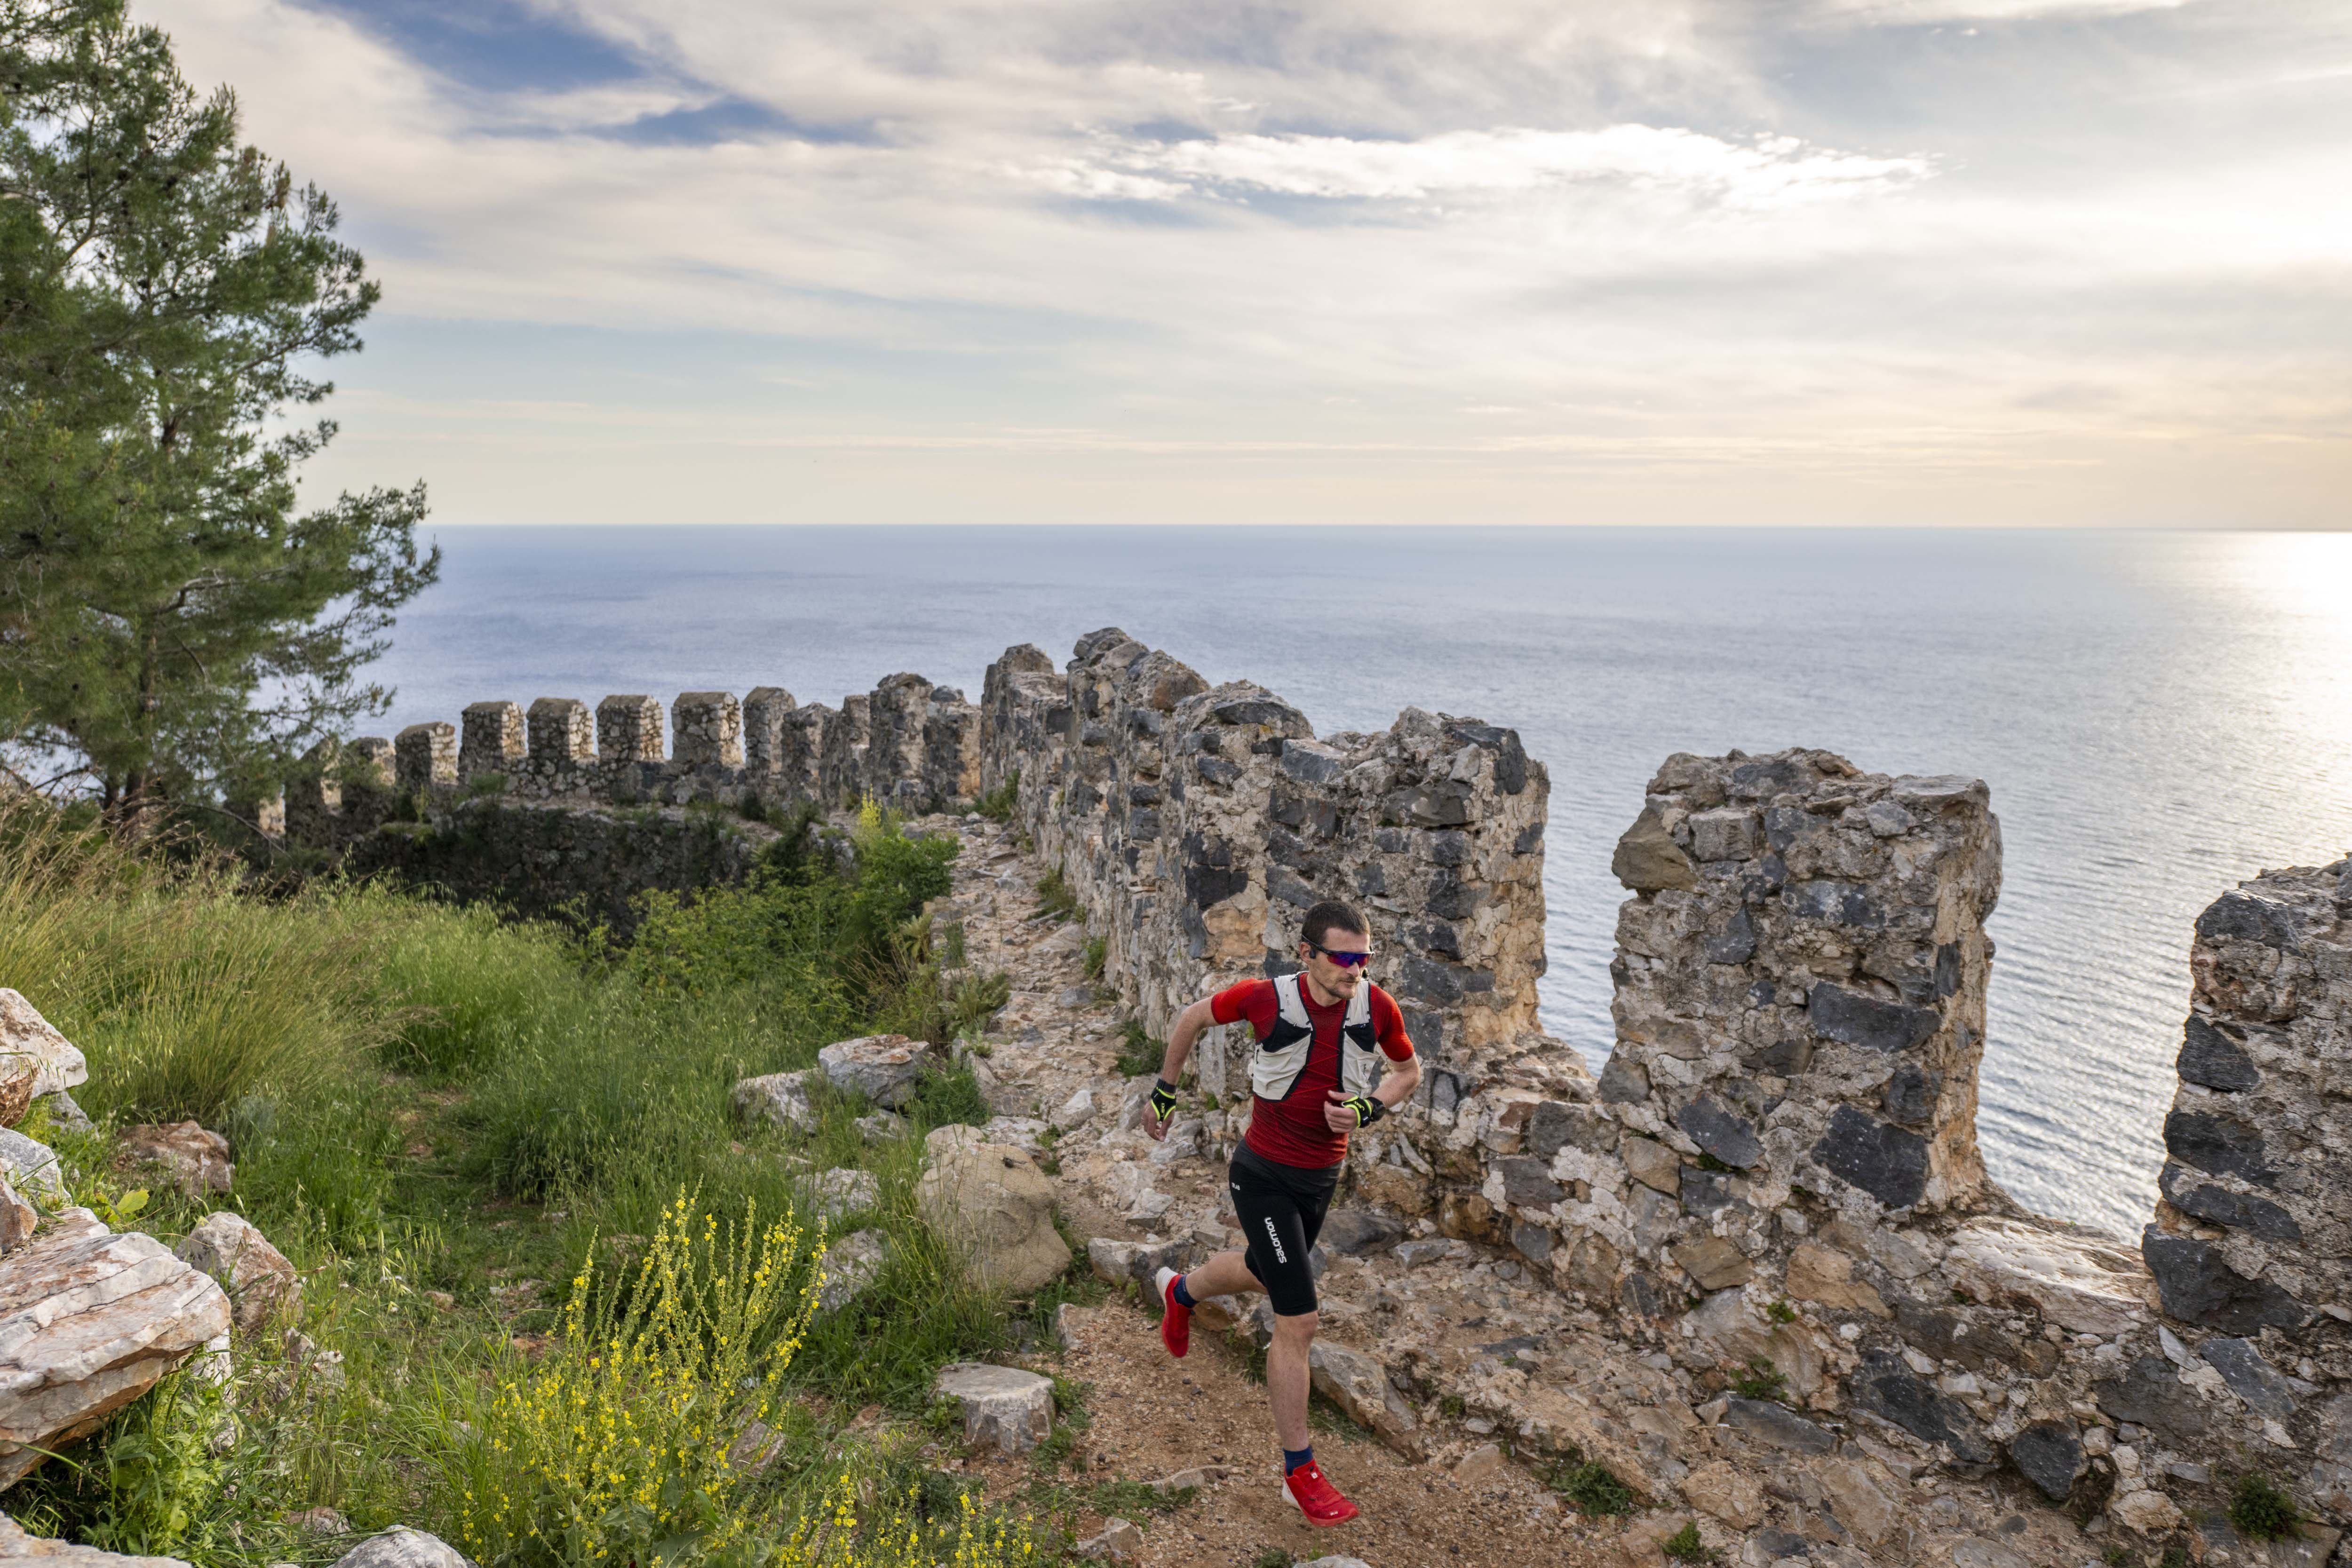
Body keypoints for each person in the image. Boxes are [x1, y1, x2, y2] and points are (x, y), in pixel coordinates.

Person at [1144, 898, 1421, 1528]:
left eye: (1364, 957)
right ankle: (1300, 1470)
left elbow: (1408, 1071)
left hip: (1320, 1180)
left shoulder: (1376, 1008)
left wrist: (1368, 1109)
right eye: (1343, 957)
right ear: (1307, 954)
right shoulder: (1267, 999)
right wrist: (1164, 1092)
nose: (1356, 968)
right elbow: (1190, 1018)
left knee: (1267, 1270)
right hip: (1261, 1173)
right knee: (1299, 1318)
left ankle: (1181, 1291)